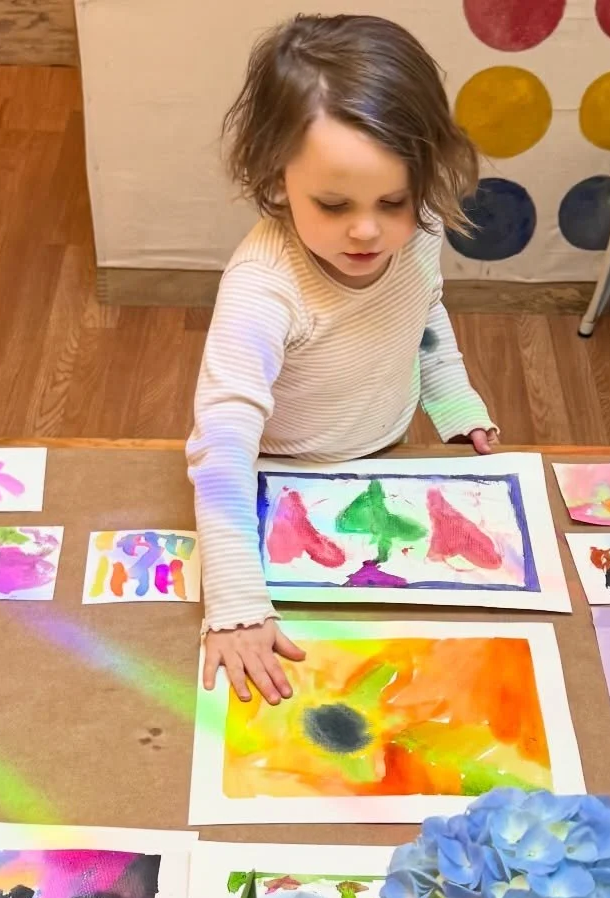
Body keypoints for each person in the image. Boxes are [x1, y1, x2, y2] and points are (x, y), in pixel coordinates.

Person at [189, 13, 496, 704]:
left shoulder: (416, 234)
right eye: (333, 204)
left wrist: (453, 401)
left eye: (393, 200)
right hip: (282, 483)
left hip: (384, 455)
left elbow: (423, 312)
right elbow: (221, 446)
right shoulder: (263, 288)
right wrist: (235, 604)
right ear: (276, 176)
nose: (367, 230)